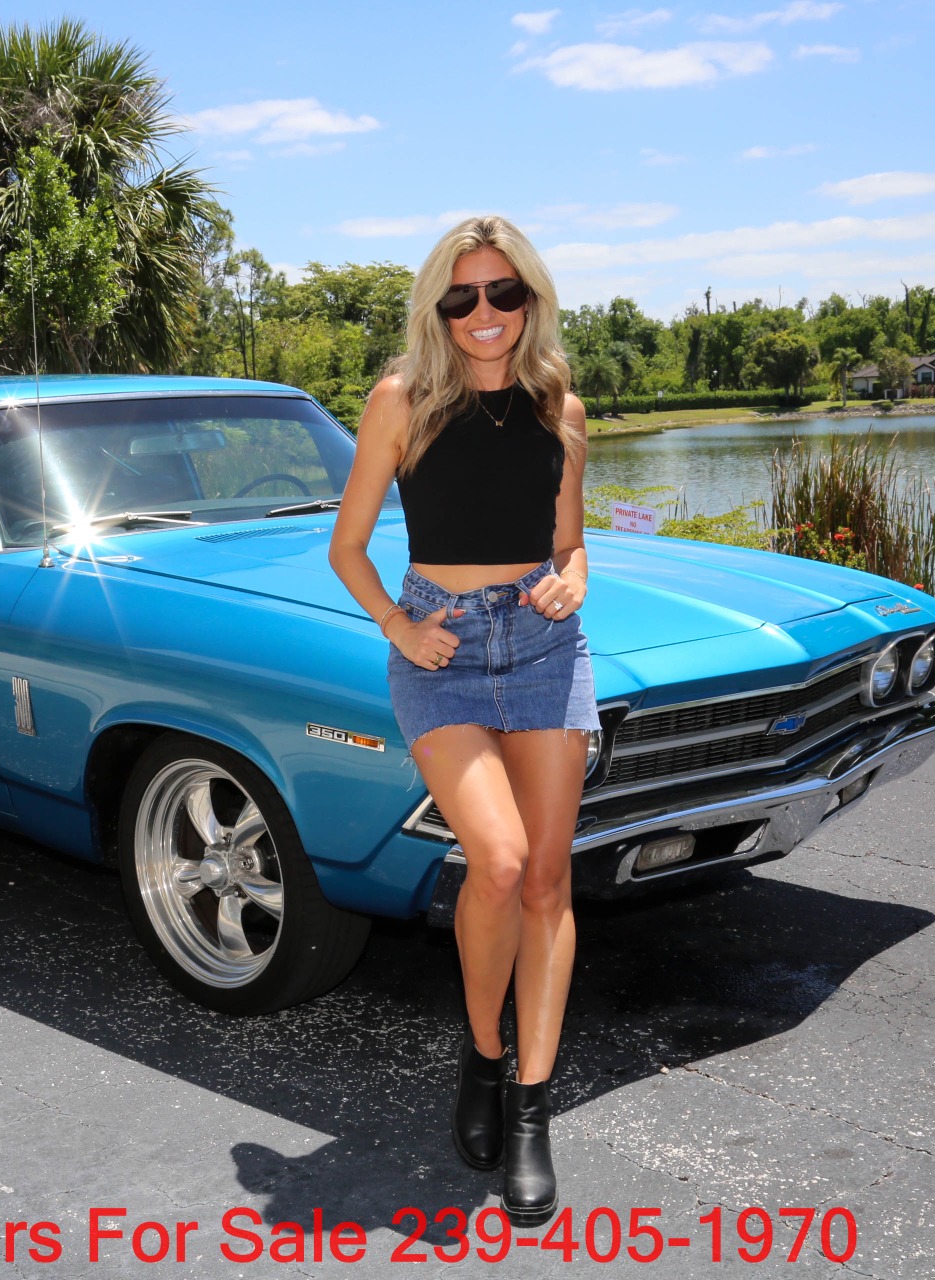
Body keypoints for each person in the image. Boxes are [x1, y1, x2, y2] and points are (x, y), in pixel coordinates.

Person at [329, 215, 594, 1227]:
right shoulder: (401, 399)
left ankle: (530, 1106)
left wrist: (572, 580)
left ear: (530, 299)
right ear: (438, 307)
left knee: (548, 877)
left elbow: (570, 544)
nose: (485, 312)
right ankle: (482, 1052)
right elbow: (348, 546)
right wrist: (399, 625)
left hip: (543, 647)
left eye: (503, 292)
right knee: (497, 860)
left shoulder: (561, 403)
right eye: (462, 296)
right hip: (438, 649)